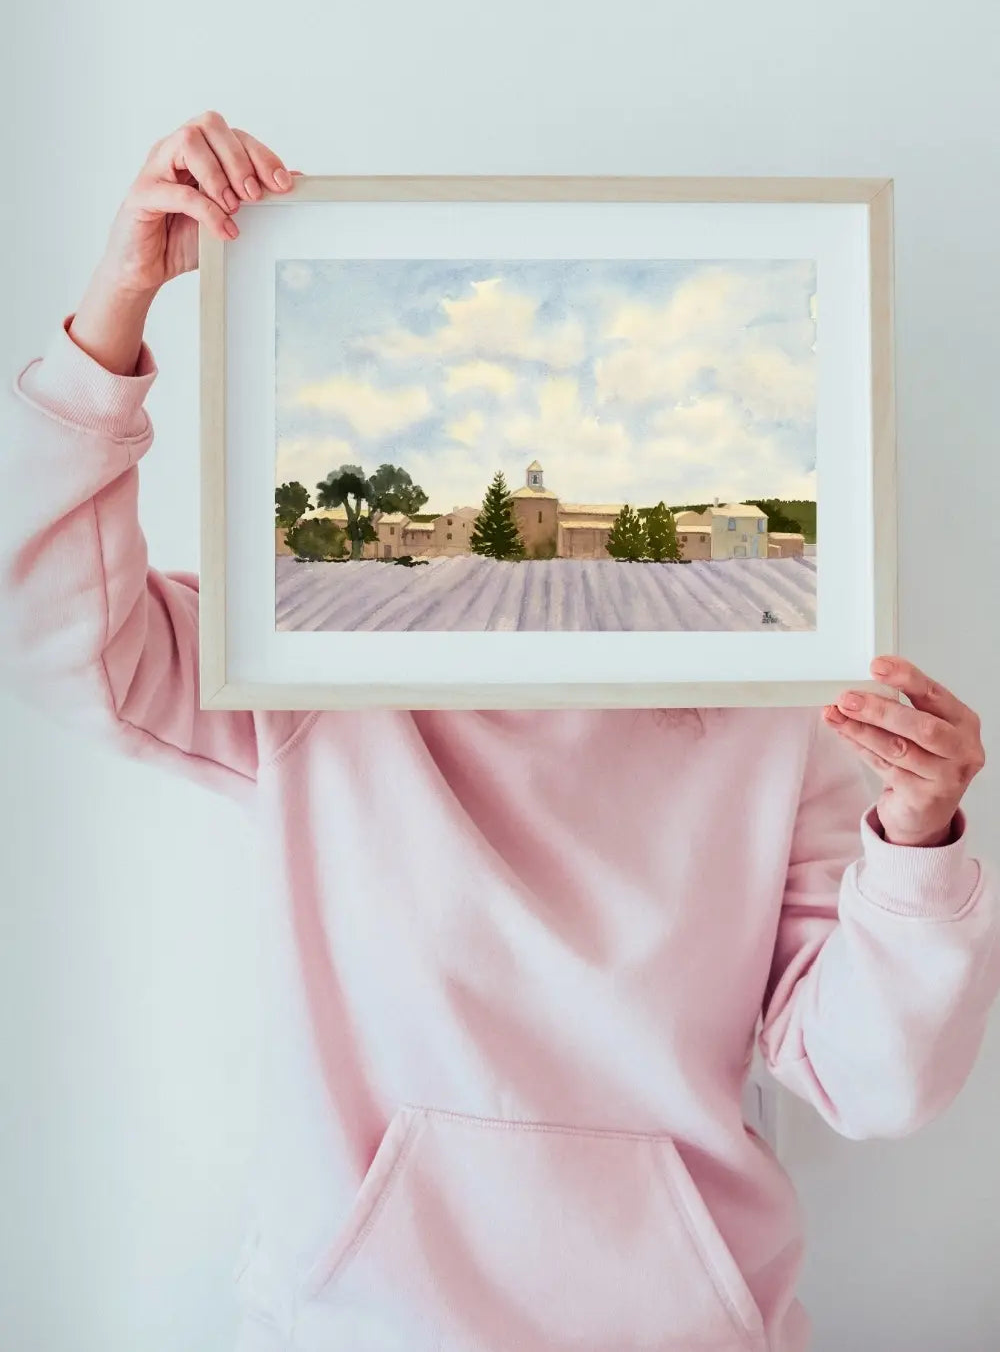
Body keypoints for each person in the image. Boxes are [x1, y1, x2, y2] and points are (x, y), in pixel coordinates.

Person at [2, 112, 998, 1352]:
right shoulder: (313, 667)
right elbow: (61, 640)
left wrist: (919, 842)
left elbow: (875, 1079)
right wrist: (115, 316)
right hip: (365, 1325)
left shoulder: (769, 699)